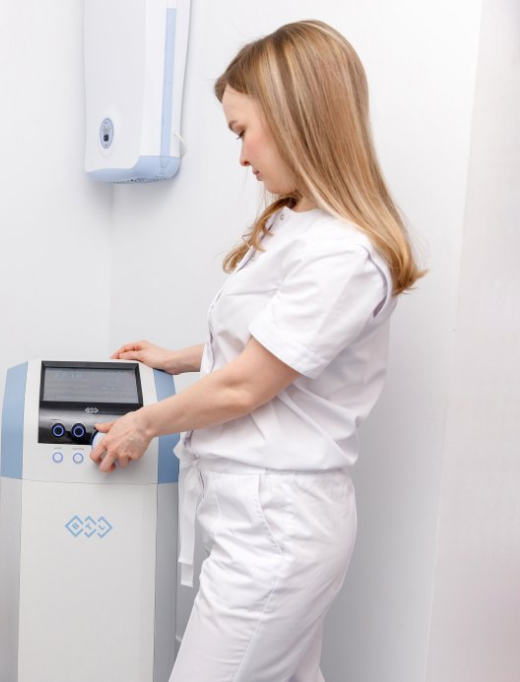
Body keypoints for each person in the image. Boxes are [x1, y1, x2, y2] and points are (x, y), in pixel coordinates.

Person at [89, 20, 424, 682]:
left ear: (298, 116)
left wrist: (141, 425)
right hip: (260, 517)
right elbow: (269, 351)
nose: (242, 157)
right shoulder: (299, 227)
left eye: (242, 131)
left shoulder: (345, 255)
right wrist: (177, 359)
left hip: (279, 529)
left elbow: (248, 386)